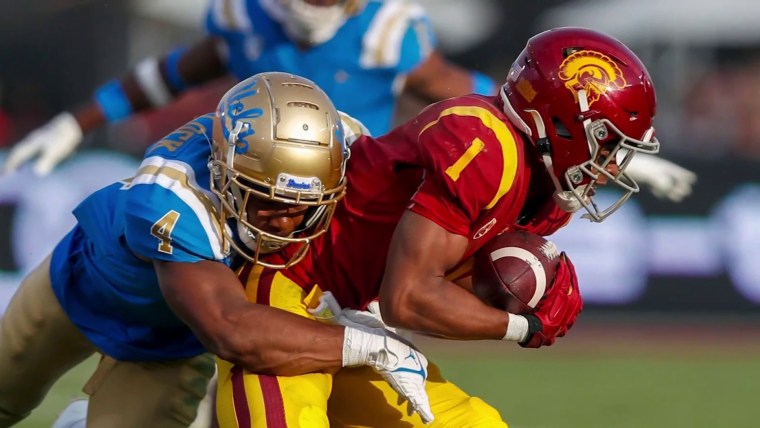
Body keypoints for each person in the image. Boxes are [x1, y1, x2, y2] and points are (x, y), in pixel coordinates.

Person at [210, 27, 658, 427]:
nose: (611, 167)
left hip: (355, 315)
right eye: (607, 145)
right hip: (290, 287)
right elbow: (408, 299)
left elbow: (445, 284)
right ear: (558, 123)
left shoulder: (549, 194)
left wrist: (531, 291)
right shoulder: (484, 145)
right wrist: (523, 327)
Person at [0, 72, 433, 428]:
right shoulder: (173, 196)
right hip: (86, 286)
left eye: (304, 205)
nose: (286, 223)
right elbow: (230, 328)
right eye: (266, 201)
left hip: (170, 342)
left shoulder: (346, 148)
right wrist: (368, 345)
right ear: (223, 172)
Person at [2, 0, 496, 178]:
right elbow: (163, 78)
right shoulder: (244, 18)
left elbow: (466, 92)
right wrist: (74, 124)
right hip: (248, 191)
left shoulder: (386, 32)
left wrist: (523, 115)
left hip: (347, 202)